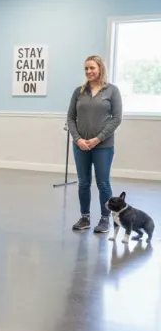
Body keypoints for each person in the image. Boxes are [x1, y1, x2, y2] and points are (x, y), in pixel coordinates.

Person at [67, 55, 122, 233]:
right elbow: (70, 118)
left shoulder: (112, 91)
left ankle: (105, 218)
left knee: (103, 183)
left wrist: (98, 139)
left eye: (92, 68)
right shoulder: (79, 92)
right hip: (81, 146)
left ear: (100, 69)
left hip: (103, 147)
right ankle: (85, 217)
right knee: (83, 182)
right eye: (86, 69)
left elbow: (117, 119)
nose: (89, 72)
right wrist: (78, 139)